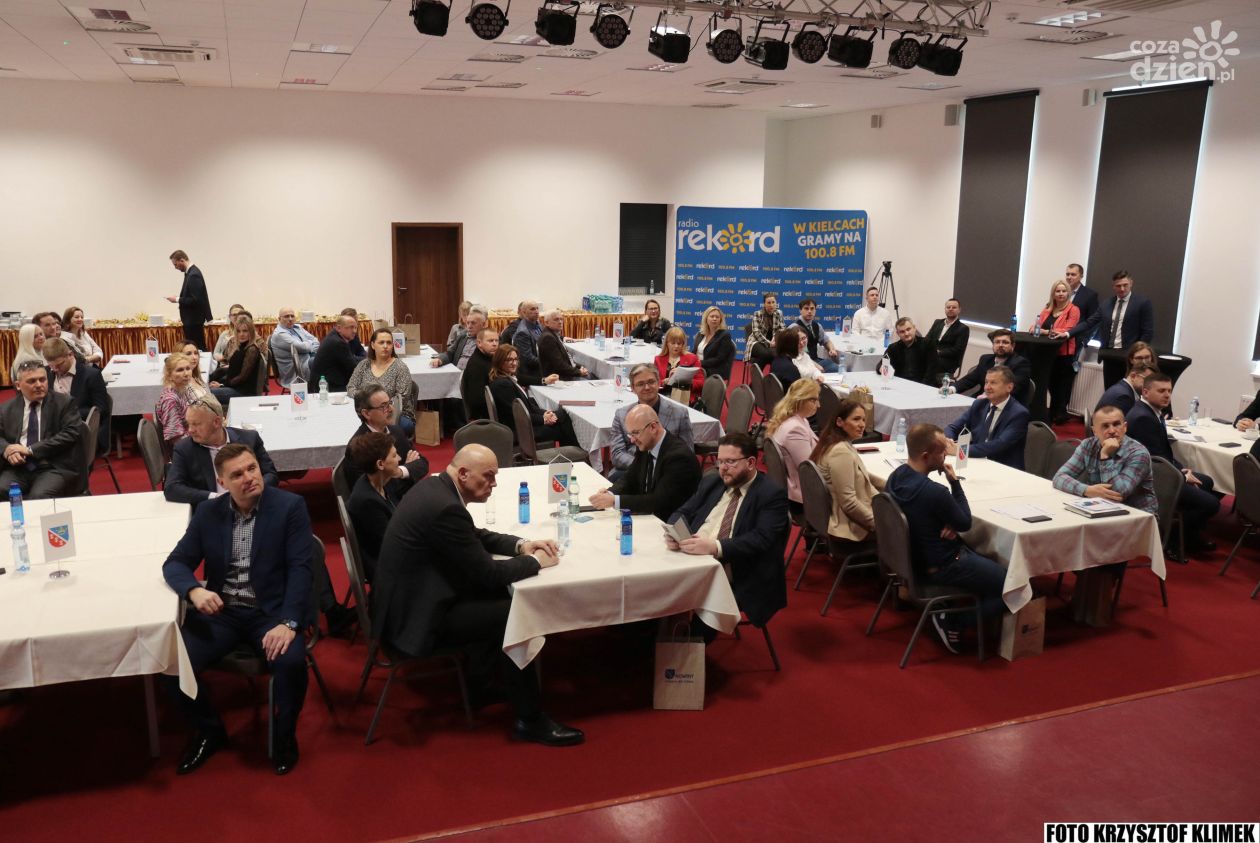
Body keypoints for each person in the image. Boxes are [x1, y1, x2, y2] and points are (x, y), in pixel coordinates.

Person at [371, 444, 583, 747]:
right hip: (414, 620)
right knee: (516, 613)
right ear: (463, 474)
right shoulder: (444, 507)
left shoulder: (435, 488)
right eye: (489, 476)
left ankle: (480, 683)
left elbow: (472, 535)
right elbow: (489, 573)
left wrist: (521, 545)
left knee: (496, 594)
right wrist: (535, 562)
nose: (494, 484)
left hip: (407, 600)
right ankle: (529, 719)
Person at [161, 443, 312, 776]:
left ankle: (284, 734)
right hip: (223, 612)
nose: (249, 478)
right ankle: (209, 731)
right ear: (222, 482)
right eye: (238, 474)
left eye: (252, 468)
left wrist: (289, 622)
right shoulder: (208, 512)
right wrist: (194, 590)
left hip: (271, 612)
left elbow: (302, 569)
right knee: (172, 662)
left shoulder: (289, 507)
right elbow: (175, 563)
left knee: (290, 664)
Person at [885, 423, 1007, 654]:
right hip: (943, 566)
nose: (946, 455)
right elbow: (965, 522)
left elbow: (922, 514)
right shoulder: (935, 492)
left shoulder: (895, 477)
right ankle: (955, 622)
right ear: (926, 456)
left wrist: (943, 520)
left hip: (911, 561)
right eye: (942, 451)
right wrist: (954, 483)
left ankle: (951, 608)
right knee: (1011, 585)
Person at [666, 432, 790, 640]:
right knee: (656, 590)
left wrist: (715, 547)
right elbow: (683, 511)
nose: (723, 468)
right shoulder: (713, 482)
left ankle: (687, 649)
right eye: (720, 461)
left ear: (751, 462)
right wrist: (675, 532)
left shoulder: (771, 494)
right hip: (692, 558)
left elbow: (761, 539)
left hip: (737, 570)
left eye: (730, 462)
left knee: (697, 623)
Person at [1124, 373, 1220, 558]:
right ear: (1146, 392)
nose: (1167, 395)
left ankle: (1190, 535)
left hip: (1160, 469)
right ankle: (1173, 539)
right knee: (1211, 504)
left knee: (1207, 481)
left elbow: (1162, 452)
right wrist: (1181, 476)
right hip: (1150, 478)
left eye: (1169, 391)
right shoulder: (1143, 417)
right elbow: (1154, 460)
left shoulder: (1151, 411)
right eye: (1161, 391)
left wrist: (1182, 469)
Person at [588, 405, 701, 521]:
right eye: (630, 434)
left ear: (653, 427)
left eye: (636, 433)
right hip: (650, 516)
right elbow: (630, 477)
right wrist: (610, 494)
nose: (632, 440)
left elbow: (658, 502)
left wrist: (614, 501)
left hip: (668, 522)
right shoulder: (646, 445)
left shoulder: (678, 458)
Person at [165, 397, 280, 507]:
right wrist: (216, 498)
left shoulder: (249, 439)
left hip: (253, 504)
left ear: (216, 422)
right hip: (213, 510)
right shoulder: (184, 449)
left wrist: (250, 492)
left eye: (196, 424)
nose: (190, 430)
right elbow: (172, 488)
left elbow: (271, 474)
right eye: (188, 424)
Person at [0, 360, 84, 498]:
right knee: (2, 490)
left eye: (42, 379)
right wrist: (7, 450)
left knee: (39, 497)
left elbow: (71, 433)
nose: (39, 385)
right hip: (17, 468)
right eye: (32, 381)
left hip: (53, 465)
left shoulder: (64, 403)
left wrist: (30, 450)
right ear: (18, 385)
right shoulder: (6, 409)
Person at [1053, 405, 1157, 515]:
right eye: (1105, 426)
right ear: (1094, 431)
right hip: (1101, 509)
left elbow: (1117, 494)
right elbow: (1059, 477)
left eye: (1116, 424)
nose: (1112, 430)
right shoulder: (1088, 445)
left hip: (1138, 515)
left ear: (1125, 427)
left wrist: (1105, 456)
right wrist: (1087, 490)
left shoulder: (1138, 453)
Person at [345, 431, 418, 581]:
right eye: (394, 456)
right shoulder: (367, 502)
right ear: (380, 464)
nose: (399, 459)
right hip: (390, 573)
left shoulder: (378, 481)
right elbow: (393, 546)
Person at [811, 398, 884, 545]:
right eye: (856, 419)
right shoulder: (840, 452)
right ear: (839, 422)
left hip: (846, 516)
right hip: (850, 527)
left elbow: (862, 473)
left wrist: (891, 484)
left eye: (863, 419)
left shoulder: (835, 442)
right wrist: (879, 525)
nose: (862, 424)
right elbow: (849, 503)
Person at [487, 345, 580, 449]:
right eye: (509, 360)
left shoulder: (507, 379)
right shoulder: (503, 385)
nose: (514, 363)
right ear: (499, 361)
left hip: (524, 425)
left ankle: (571, 454)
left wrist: (545, 413)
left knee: (562, 414)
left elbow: (528, 406)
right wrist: (543, 419)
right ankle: (575, 454)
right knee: (564, 422)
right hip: (521, 432)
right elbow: (517, 415)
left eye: (515, 359)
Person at [342, 384, 429, 492]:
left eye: (390, 403)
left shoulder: (396, 432)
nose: (391, 409)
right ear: (367, 413)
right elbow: (377, 491)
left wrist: (400, 471)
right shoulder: (358, 448)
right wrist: (407, 470)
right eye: (383, 407)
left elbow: (422, 464)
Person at [609, 364, 694, 473]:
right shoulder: (621, 415)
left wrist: (657, 468)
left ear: (659, 383)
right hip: (631, 470)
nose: (647, 387)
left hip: (668, 471)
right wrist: (645, 467)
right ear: (633, 388)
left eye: (651, 382)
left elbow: (688, 452)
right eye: (640, 384)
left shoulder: (680, 414)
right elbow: (617, 454)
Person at [943, 366, 1029, 470]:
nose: (987, 387)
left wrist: (960, 450)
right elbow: (953, 427)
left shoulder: (1019, 414)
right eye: (986, 382)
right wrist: (947, 441)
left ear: (1009, 387)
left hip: (1003, 468)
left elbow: (999, 445)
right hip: (976, 460)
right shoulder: (979, 404)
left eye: (993, 383)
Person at [1083, 271, 1155, 388]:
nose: (1122, 289)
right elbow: (1089, 323)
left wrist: (1137, 354)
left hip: (1129, 356)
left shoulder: (1142, 303)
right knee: (1110, 390)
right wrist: (1067, 333)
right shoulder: (1106, 303)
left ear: (1131, 283)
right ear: (1113, 286)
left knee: (1128, 390)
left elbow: (1147, 332)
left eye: (1125, 285)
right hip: (1109, 355)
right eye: (1118, 286)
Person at [42, 337, 109, 455]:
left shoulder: (91, 375)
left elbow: (101, 409)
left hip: (83, 430)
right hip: (53, 431)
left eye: (59, 365)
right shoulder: (46, 373)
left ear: (70, 355)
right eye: (52, 366)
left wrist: (67, 416)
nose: (56, 370)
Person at [347, 329, 417, 435]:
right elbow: (351, 387)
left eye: (389, 343)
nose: (385, 346)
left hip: (395, 412)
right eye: (381, 342)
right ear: (373, 345)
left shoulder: (400, 367)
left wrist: (378, 408)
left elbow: (400, 399)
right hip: (367, 410)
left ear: (392, 346)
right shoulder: (364, 365)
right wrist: (367, 401)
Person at [765, 379, 821, 515]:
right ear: (800, 400)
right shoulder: (795, 429)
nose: (818, 405)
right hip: (806, 496)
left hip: (799, 488)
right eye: (813, 400)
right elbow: (810, 470)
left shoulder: (798, 420)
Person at [1036, 279, 1082, 424]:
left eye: (1064, 291)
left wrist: (1045, 331)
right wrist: (1041, 330)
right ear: (1053, 293)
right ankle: (1049, 417)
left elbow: (1068, 329)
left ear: (1068, 293)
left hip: (1064, 355)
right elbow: (1035, 326)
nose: (1061, 293)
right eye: (1058, 291)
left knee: (1059, 390)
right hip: (1047, 354)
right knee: (1048, 385)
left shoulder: (1073, 310)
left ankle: (1052, 418)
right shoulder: (1047, 308)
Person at [953, 329, 1031, 396]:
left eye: (1005, 342)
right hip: (982, 400)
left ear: (1013, 346)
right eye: (997, 342)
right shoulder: (985, 359)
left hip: (1006, 404)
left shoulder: (1021, 363)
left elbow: (1012, 389)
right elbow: (969, 380)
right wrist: (952, 388)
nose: (1000, 345)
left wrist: (987, 397)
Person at [166, 250, 214, 351]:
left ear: (182, 260)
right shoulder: (191, 273)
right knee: (195, 348)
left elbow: (196, 300)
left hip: (194, 321)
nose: (175, 267)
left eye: (175, 264)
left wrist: (177, 299)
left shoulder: (193, 275)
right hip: (192, 320)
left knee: (197, 348)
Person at [208, 317, 262, 404]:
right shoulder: (241, 346)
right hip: (235, 387)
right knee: (204, 388)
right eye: (238, 331)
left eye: (245, 331)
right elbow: (233, 371)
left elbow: (242, 377)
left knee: (204, 394)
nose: (241, 334)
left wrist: (221, 385)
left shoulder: (252, 349)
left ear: (251, 332)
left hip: (243, 392)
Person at [156, 353, 199, 447]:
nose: (186, 374)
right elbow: (176, 439)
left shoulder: (183, 389)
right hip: (187, 447)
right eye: (180, 370)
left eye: (188, 368)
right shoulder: (170, 400)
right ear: (169, 375)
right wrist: (205, 436)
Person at [270, 307, 321, 388]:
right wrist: (310, 344)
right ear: (279, 319)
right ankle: (319, 390)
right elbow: (302, 348)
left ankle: (327, 389)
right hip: (296, 370)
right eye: (286, 316)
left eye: (292, 316)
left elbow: (316, 341)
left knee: (328, 357)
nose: (290, 319)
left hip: (308, 359)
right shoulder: (279, 334)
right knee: (320, 362)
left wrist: (308, 345)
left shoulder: (297, 327)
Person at [308, 314, 360, 392]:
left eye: (356, 328)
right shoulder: (338, 342)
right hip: (325, 388)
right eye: (351, 327)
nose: (354, 331)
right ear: (339, 328)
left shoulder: (334, 336)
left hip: (324, 383)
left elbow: (350, 360)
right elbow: (353, 368)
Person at [654, 326, 704, 404]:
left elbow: (701, 383)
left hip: (684, 398)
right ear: (667, 343)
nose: (676, 346)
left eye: (679, 343)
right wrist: (663, 382)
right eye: (673, 343)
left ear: (683, 344)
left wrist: (687, 381)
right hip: (663, 397)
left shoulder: (692, 358)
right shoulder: (658, 359)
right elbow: (654, 382)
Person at [537, 309, 591, 380]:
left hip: (564, 372)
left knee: (591, 374)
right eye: (556, 319)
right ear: (547, 323)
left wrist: (580, 367)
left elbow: (567, 360)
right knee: (592, 377)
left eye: (561, 319)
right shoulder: (548, 338)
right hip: (558, 378)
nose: (560, 322)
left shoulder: (553, 334)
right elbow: (559, 365)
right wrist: (579, 372)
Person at [923, 298, 970, 381]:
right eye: (948, 307)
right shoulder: (937, 322)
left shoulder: (963, 328)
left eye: (954, 307)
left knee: (928, 365)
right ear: (945, 309)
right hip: (932, 356)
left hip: (947, 360)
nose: (950, 309)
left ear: (959, 310)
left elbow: (958, 349)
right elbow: (927, 338)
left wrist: (938, 352)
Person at [431, 306, 487, 371]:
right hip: (456, 373)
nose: (469, 326)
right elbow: (450, 353)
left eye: (473, 323)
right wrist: (440, 359)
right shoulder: (462, 336)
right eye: (468, 323)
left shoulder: (489, 341)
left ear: (483, 324)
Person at [795, 297, 840, 374]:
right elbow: (794, 354)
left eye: (812, 309)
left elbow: (826, 341)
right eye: (806, 308)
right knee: (835, 369)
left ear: (815, 310)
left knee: (840, 367)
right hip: (801, 363)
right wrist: (814, 365)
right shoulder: (794, 327)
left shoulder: (817, 326)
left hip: (815, 360)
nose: (809, 311)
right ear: (800, 311)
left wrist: (831, 349)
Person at [462, 327, 499, 420]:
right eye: (490, 341)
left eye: (497, 340)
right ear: (479, 343)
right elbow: (476, 401)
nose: (495, 344)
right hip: (487, 417)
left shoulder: (489, 358)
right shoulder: (476, 365)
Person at [692, 305, 736, 381]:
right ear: (706, 318)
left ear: (720, 320)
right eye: (712, 316)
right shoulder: (700, 334)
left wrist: (699, 363)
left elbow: (719, 359)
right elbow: (694, 351)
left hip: (714, 370)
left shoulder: (725, 335)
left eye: (717, 317)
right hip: (698, 367)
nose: (714, 319)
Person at [884, 317, 931, 385]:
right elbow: (881, 365)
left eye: (908, 329)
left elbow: (932, 371)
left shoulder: (928, 344)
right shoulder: (893, 348)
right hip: (899, 384)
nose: (906, 333)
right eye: (902, 332)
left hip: (922, 385)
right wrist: (883, 367)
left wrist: (922, 387)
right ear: (898, 333)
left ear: (914, 328)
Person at [745, 293, 784, 371]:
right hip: (756, 342)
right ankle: (758, 376)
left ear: (776, 303)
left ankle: (772, 376)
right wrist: (769, 343)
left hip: (772, 342)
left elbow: (782, 328)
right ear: (764, 304)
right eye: (768, 303)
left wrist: (776, 338)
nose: (771, 305)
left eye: (773, 302)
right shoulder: (758, 314)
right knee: (766, 354)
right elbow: (756, 332)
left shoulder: (779, 313)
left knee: (777, 355)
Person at [510, 300, 544, 382]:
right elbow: (528, 359)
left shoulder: (537, 324)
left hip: (541, 367)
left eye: (537, 308)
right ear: (524, 312)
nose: (536, 311)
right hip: (532, 373)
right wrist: (548, 362)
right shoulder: (523, 332)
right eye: (532, 309)